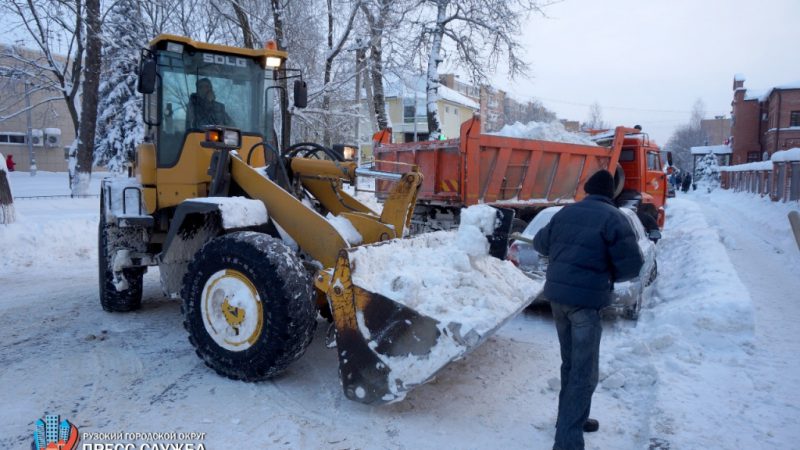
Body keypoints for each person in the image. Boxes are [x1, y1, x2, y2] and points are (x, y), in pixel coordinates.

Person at [533, 170, 644, 450]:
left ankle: (570, 420)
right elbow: (632, 266)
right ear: (611, 193)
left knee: (571, 364)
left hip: (557, 299)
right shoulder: (615, 218)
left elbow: (540, 243)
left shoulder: (565, 213)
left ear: (587, 189)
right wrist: (606, 273)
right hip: (585, 303)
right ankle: (568, 441)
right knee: (584, 371)